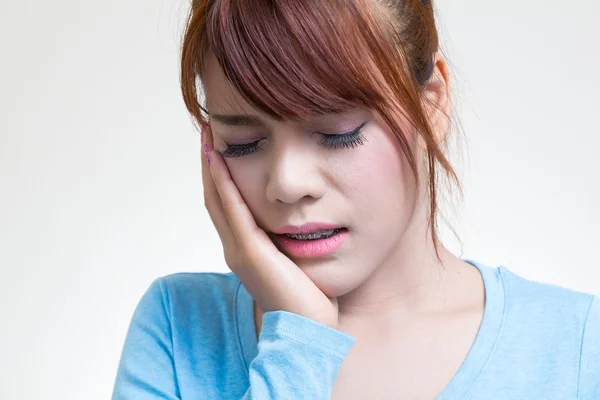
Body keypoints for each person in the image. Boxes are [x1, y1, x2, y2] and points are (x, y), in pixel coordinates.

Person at [111, 0, 599, 398]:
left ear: (431, 105)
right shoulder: (180, 329)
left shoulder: (579, 348)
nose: (286, 182)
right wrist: (301, 344)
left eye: (336, 132)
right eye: (242, 143)